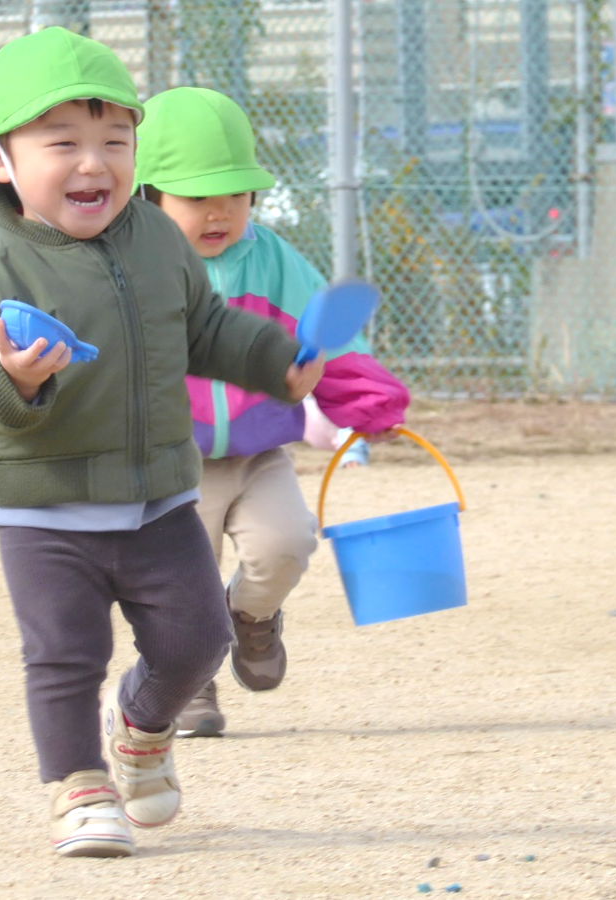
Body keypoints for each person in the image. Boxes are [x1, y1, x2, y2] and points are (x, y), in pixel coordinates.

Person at [0, 28, 325, 859]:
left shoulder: (157, 242)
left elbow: (206, 329)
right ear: (0, 160)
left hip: (158, 499)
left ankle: (143, 725)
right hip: (44, 512)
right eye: (62, 143)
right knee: (64, 657)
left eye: (115, 141)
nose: (94, 164)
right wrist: (15, 379)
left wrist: (274, 359)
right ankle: (79, 787)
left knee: (198, 640)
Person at [133, 86, 401, 738]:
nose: (219, 210)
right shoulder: (136, 268)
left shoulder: (273, 259)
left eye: (235, 193)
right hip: (173, 460)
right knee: (177, 588)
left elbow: (324, 339)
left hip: (258, 452)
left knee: (286, 544)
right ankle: (188, 684)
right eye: (196, 197)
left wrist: (359, 394)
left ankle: (251, 618)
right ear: (148, 198)